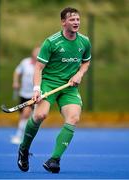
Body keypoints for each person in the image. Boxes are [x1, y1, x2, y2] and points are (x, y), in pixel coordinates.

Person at [17, 7, 91, 173]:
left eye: (78, 19)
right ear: (63, 22)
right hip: (49, 84)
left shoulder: (84, 41)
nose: (76, 22)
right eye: (72, 20)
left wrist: (79, 73)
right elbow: (38, 68)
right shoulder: (51, 42)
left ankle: (54, 159)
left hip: (69, 87)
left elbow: (86, 62)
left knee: (74, 117)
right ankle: (23, 148)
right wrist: (37, 89)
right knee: (39, 115)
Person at [11, 47, 40, 144]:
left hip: (33, 96)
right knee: (23, 116)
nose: (37, 54)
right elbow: (17, 72)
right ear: (32, 53)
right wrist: (15, 82)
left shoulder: (41, 66)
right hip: (23, 93)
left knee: (25, 114)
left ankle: (19, 136)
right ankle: (24, 134)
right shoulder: (25, 62)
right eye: (36, 52)